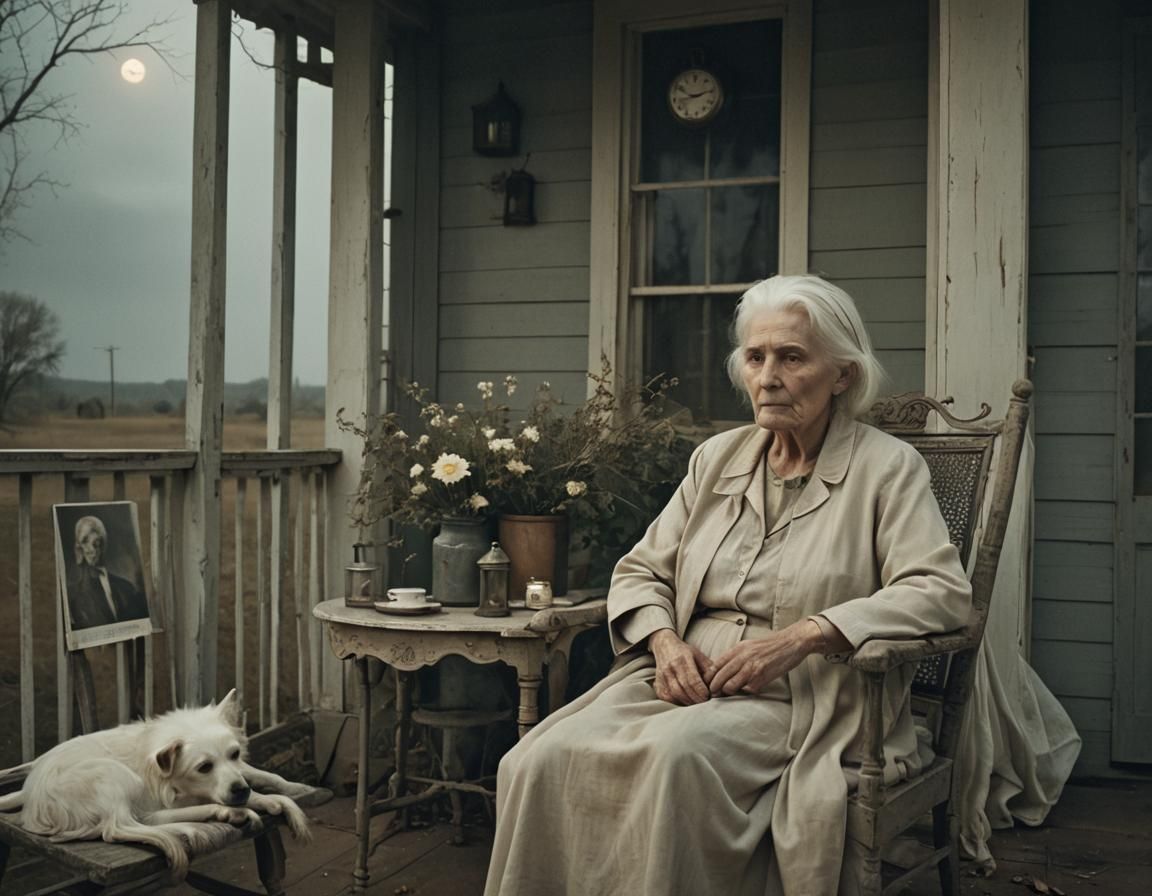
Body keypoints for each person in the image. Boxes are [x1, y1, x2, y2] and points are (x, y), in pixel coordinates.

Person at [483, 274, 973, 896]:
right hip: (682, 680)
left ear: (842, 375)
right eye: (755, 356)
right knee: (535, 760)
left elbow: (940, 589)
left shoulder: (887, 468)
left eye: (792, 357)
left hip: (804, 698)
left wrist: (805, 635)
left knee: (673, 762)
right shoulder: (717, 458)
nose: (768, 376)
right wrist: (664, 644)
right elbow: (641, 570)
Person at [66, 515, 150, 630]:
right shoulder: (73, 597)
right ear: (78, 548)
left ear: (103, 544)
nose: (92, 549)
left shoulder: (127, 589)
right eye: (85, 541)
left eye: (97, 542)